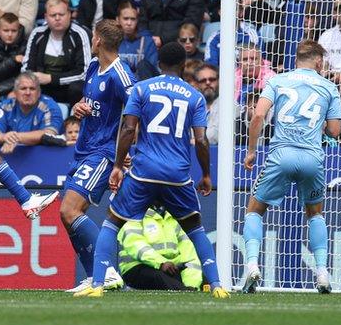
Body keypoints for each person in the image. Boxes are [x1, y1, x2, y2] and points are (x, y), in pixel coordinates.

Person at [82, 42, 227, 298]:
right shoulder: (194, 96)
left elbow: (128, 129)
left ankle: (96, 286)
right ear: (184, 66)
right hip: (178, 175)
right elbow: (202, 140)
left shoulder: (141, 88)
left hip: (143, 172)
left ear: (159, 63)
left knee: (112, 223)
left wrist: (117, 165)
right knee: (195, 230)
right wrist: (205, 174)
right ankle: (216, 285)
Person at [240, 40, 341, 293]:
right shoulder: (329, 87)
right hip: (312, 157)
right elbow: (335, 131)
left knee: (255, 209)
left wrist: (252, 151)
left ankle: (252, 266)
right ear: (318, 61)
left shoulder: (277, 81)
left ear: (297, 58)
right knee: (315, 214)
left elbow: (257, 116)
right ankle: (322, 273)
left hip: (281, 154)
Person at [59, 19, 136, 296]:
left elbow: (138, 113)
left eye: (92, 37)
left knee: (70, 210)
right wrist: (80, 107)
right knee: (66, 214)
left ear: (98, 41)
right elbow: (89, 102)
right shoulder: (93, 67)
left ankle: (107, 270)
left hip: (103, 154)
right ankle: (94, 275)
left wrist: (125, 153)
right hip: (83, 149)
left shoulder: (122, 75)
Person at [20, 0, 92, 104]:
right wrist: (34, 79)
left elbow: (83, 73)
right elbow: (26, 67)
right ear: (45, 17)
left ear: (69, 14)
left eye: (61, 14)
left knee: (77, 88)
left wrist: (51, 78)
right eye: (53, 15)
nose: (57, 18)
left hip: (69, 88)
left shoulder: (80, 34)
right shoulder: (37, 33)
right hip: (42, 86)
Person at [117, 208, 203, 290]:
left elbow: (190, 257)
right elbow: (136, 244)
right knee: (163, 280)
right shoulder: (133, 216)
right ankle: (184, 293)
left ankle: (188, 291)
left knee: (200, 282)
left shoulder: (172, 218)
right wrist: (161, 263)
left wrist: (192, 285)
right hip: (136, 268)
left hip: (169, 268)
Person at [0, 73, 65, 153]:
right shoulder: (6, 106)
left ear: (39, 92)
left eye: (32, 89)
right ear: (15, 93)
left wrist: (15, 138)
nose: (28, 93)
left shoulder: (50, 106)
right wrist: (3, 137)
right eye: (23, 88)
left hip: (46, 156)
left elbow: (49, 134)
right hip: (12, 156)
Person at [117, 1, 159, 79]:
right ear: (118, 19)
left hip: (142, 86)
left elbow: (152, 70)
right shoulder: (112, 41)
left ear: (137, 21)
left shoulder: (147, 41)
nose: (129, 23)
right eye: (125, 19)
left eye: (133, 19)